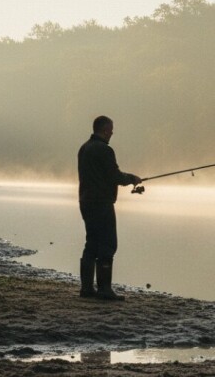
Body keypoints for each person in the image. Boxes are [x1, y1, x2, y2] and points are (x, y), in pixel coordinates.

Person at [77, 116, 142, 301]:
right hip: (101, 204)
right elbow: (115, 176)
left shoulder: (84, 148)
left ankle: (87, 289)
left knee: (91, 244)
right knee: (107, 244)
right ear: (104, 130)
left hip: (85, 202)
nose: (112, 132)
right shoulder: (104, 150)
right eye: (111, 129)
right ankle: (104, 289)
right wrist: (132, 178)